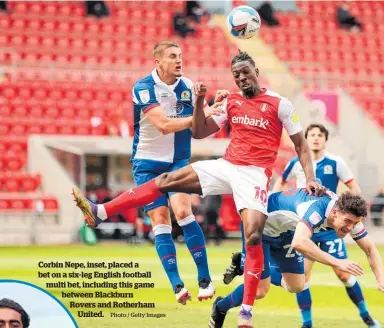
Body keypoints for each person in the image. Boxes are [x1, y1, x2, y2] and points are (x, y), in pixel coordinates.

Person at [72, 51, 325, 328]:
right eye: (236, 74)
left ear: (256, 69)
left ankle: (246, 311)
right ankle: (102, 212)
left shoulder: (280, 104)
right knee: (166, 180)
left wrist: (310, 177)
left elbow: (300, 145)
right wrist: (200, 101)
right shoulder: (231, 102)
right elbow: (199, 132)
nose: (241, 78)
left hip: (254, 175)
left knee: (253, 235)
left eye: (245, 71)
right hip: (227, 164)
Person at [224, 123, 382, 328]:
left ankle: (366, 317)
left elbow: (353, 187)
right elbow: (281, 184)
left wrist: (353, 213)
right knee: (301, 279)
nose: (316, 138)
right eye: (312, 135)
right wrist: (272, 200)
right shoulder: (296, 163)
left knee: (343, 273)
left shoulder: (336, 162)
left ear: (326, 139)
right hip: (302, 223)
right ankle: (307, 323)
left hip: (330, 224)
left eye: (320, 135)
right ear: (306, 140)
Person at [209, 190, 384, 328]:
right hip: (259, 227)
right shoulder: (316, 210)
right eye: (347, 222)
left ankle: (244, 265)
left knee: (297, 285)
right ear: (335, 213)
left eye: (354, 223)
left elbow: (370, 248)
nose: (350, 227)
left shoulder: (348, 215)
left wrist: (382, 280)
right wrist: (336, 262)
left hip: (286, 232)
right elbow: (299, 242)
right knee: (260, 290)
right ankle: (220, 307)